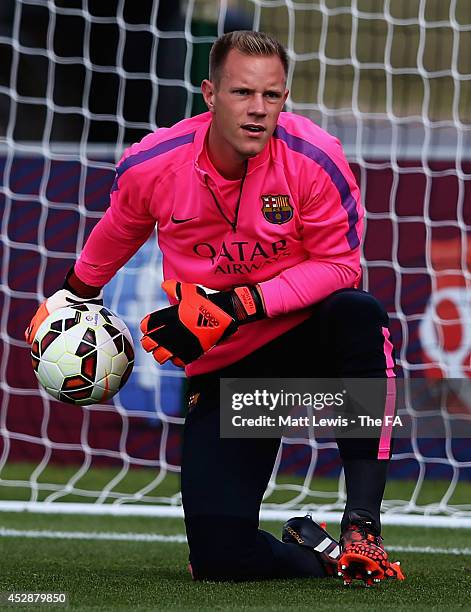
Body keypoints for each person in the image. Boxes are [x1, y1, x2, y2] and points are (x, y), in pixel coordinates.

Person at [26, 31, 404, 585]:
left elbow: (341, 267)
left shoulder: (314, 159)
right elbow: (121, 227)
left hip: (306, 344)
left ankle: (361, 529)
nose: (257, 110)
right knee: (219, 561)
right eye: (242, 93)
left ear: (284, 97)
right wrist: (73, 294)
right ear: (209, 94)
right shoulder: (154, 164)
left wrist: (235, 304)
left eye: (271, 96)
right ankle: (324, 556)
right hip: (237, 377)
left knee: (359, 313)